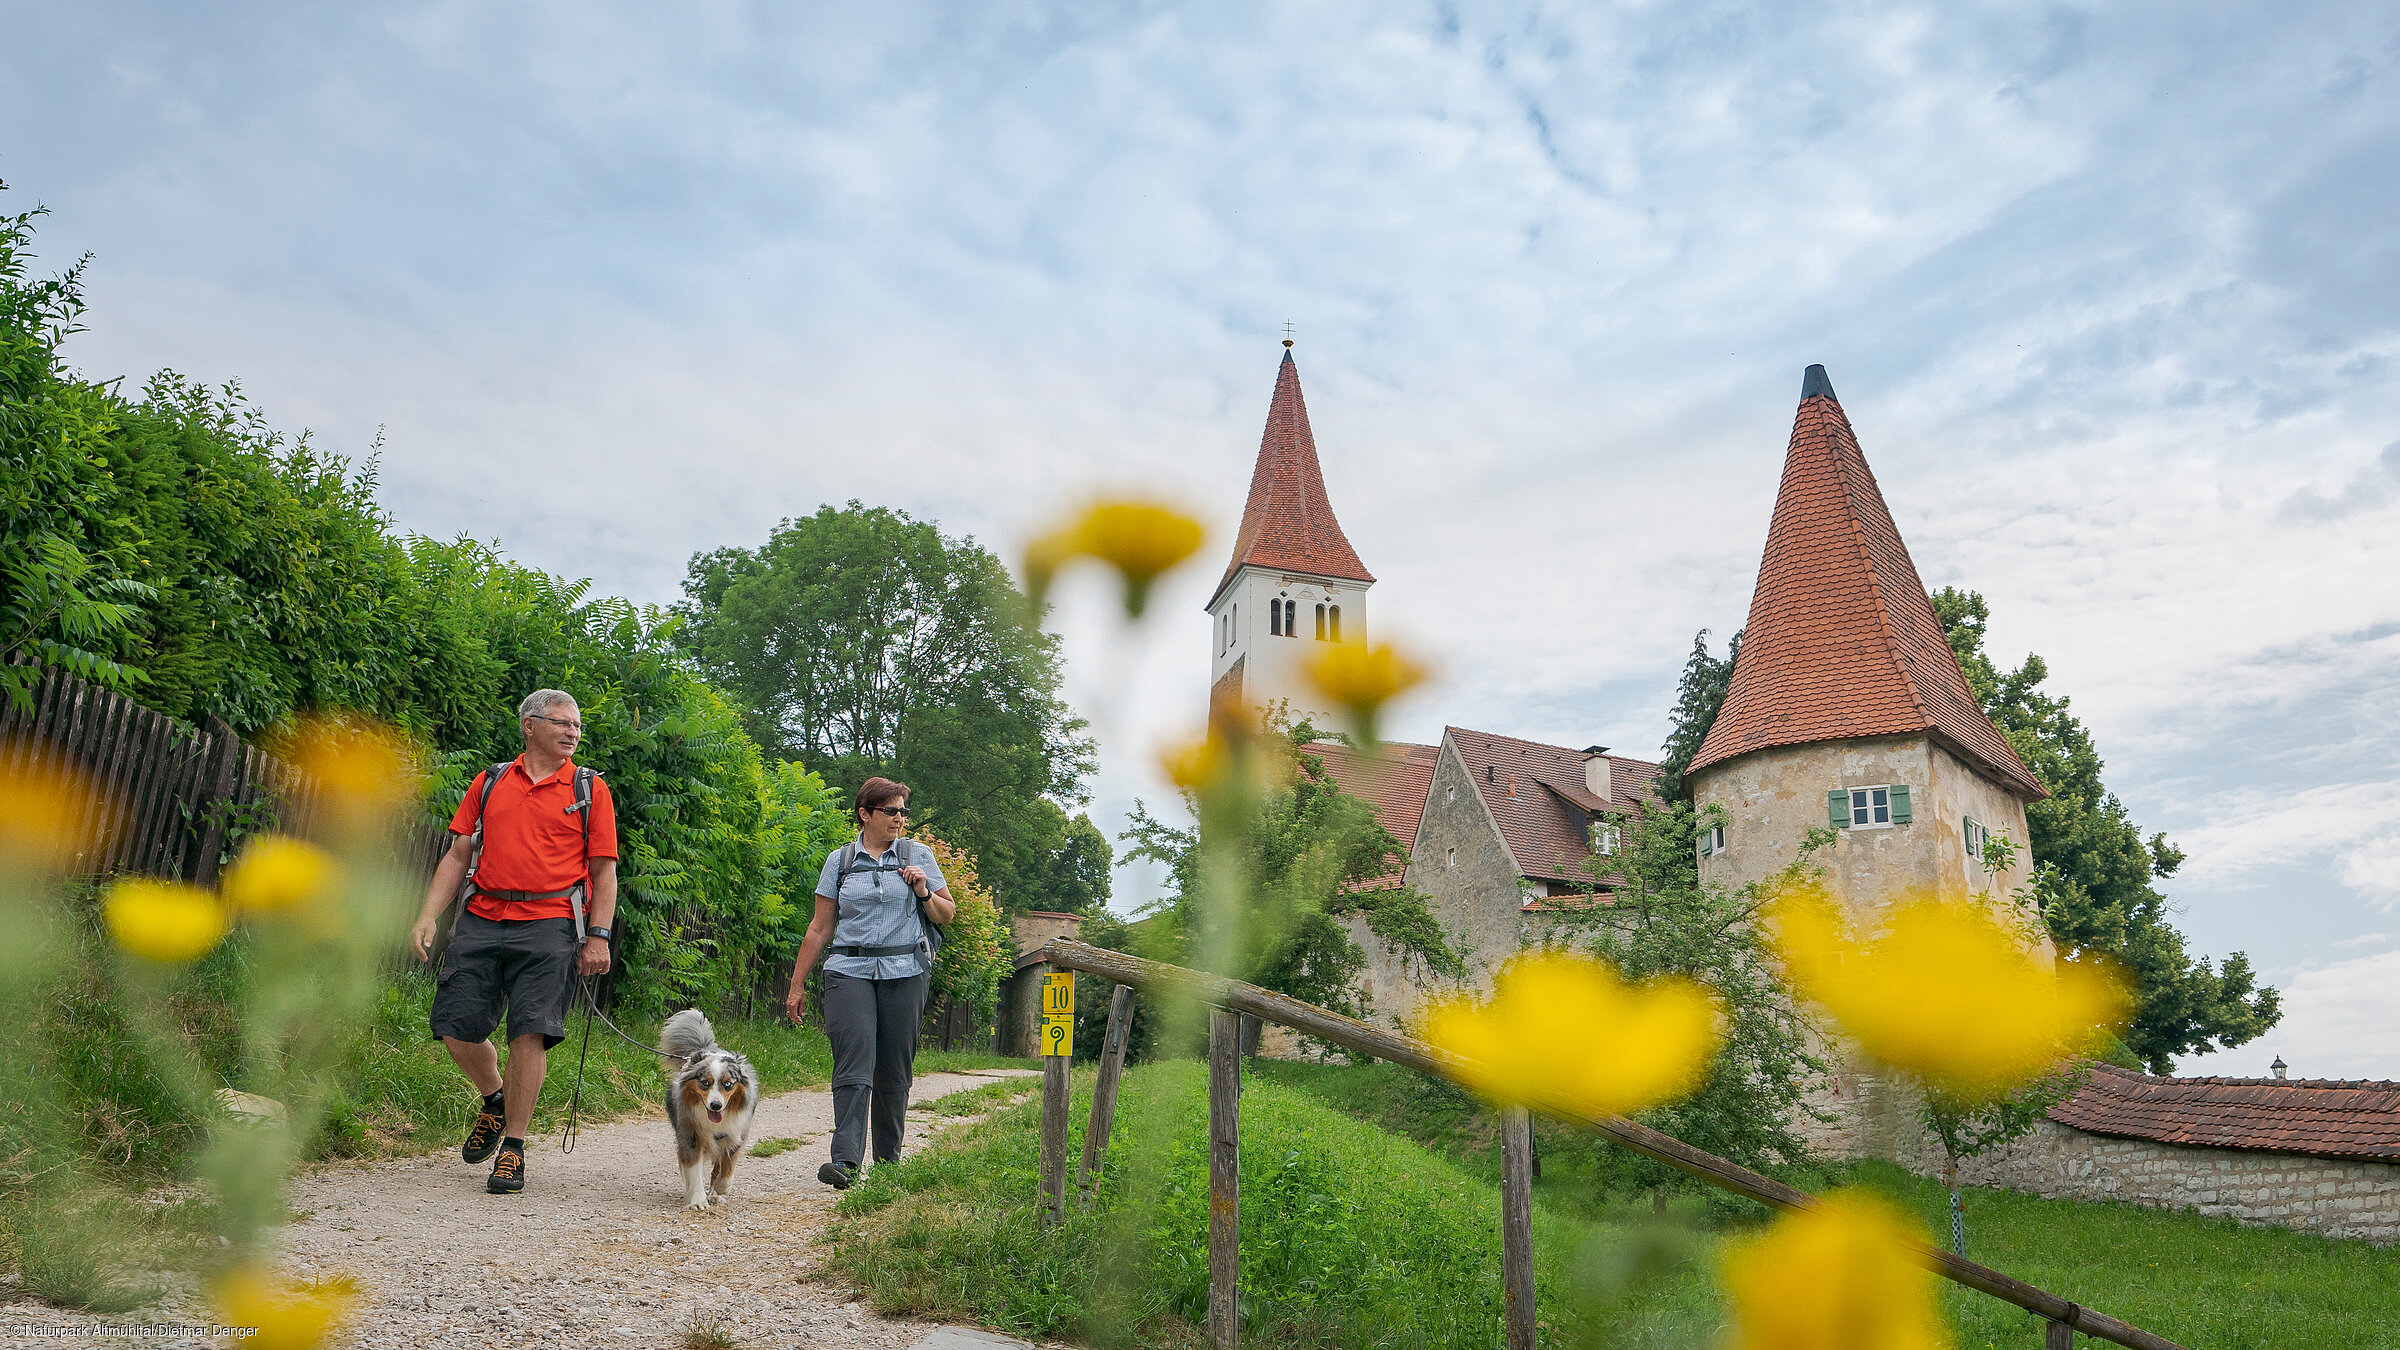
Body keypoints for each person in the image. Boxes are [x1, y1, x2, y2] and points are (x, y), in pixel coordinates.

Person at [409, 689, 619, 1194]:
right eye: (561, 723)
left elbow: (604, 872)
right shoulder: (491, 781)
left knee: (531, 1030)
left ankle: (513, 1148)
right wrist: (427, 916)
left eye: (576, 726)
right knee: (453, 1025)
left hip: (550, 923)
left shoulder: (590, 789)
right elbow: (459, 855)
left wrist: (598, 937)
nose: (572, 732)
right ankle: (496, 1097)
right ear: (529, 725)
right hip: (482, 915)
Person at [783, 776, 954, 1189]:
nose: (899, 819)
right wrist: (796, 985)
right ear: (865, 814)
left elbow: (946, 914)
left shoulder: (919, 855)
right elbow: (820, 928)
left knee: (894, 1070)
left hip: (905, 972)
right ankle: (845, 1163)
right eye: (891, 811)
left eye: (903, 812)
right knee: (853, 1066)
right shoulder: (839, 861)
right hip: (848, 971)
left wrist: (923, 890)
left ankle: (888, 1165)